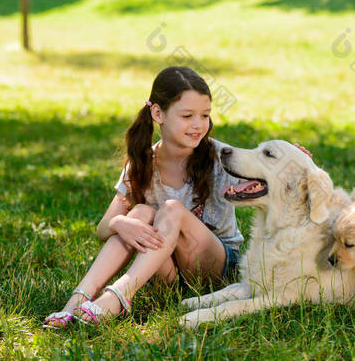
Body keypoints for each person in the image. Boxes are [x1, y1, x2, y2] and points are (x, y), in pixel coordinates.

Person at [44, 66, 243, 327]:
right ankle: (77, 301)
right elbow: (103, 228)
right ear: (158, 113)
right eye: (187, 115)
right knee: (139, 213)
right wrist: (120, 223)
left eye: (204, 115)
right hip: (165, 275)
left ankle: (119, 295)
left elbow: (267, 173)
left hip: (215, 269)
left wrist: (293, 161)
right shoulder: (143, 163)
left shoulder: (221, 156)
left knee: (171, 209)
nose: (198, 125)